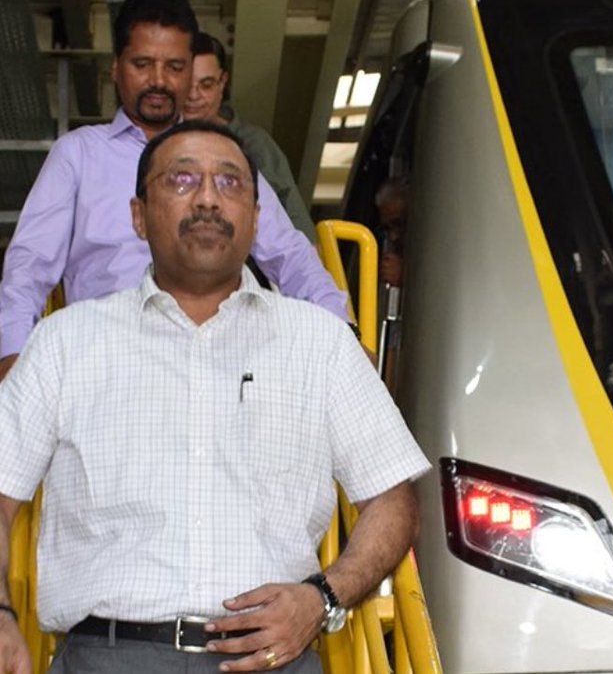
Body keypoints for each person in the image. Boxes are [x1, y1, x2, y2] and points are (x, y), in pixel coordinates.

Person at [0, 120, 430, 674]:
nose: (207, 198)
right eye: (181, 180)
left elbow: (393, 501)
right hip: (105, 657)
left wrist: (324, 596)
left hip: (275, 657)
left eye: (230, 183)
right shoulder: (65, 342)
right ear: (137, 215)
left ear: (256, 217)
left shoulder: (320, 343)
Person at [0, 0, 348, 384]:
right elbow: (28, 267)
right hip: (107, 362)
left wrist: (343, 334)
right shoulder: (79, 154)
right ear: (116, 67)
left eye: (175, 67)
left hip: (218, 359)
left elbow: (289, 254)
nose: (159, 81)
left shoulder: (221, 156)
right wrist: (12, 355)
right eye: (142, 64)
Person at [181, 32, 317, 243]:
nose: (193, 95)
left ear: (222, 82)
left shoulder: (255, 144)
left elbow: (297, 224)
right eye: (186, 85)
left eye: (206, 85)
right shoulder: (151, 145)